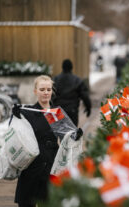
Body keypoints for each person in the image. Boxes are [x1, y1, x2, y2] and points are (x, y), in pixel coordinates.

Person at [11, 75, 82, 207]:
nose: (46, 93)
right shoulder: (28, 113)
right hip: (31, 166)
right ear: (35, 91)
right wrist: (15, 116)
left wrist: (76, 135)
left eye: (48, 89)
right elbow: (15, 134)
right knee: (27, 203)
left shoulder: (56, 113)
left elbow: (68, 136)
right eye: (42, 89)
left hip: (50, 165)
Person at [52, 59, 91, 126]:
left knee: (60, 133)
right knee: (72, 132)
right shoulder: (77, 80)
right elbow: (85, 96)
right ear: (71, 67)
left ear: (62, 67)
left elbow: (51, 95)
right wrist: (88, 108)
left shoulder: (55, 80)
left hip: (58, 111)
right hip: (72, 111)